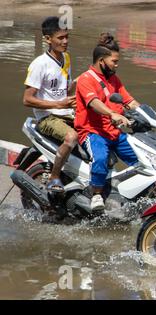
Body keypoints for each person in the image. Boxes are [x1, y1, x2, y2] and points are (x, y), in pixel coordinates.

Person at [74, 33, 141, 211]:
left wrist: (146, 113)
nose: (116, 65)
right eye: (114, 61)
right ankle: (96, 194)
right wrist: (113, 113)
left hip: (114, 132)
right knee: (101, 157)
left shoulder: (113, 79)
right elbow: (94, 103)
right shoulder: (85, 79)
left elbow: (129, 101)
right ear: (102, 60)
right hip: (92, 132)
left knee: (140, 158)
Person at [23, 16, 77, 193]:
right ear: (48, 39)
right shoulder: (39, 64)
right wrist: (59, 104)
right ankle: (54, 177)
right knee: (71, 137)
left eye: (67, 37)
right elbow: (27, 99)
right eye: (60, 38)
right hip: (47, 118)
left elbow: (65, 91)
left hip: (65, 113)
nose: (65, 41)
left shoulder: (66, 58)